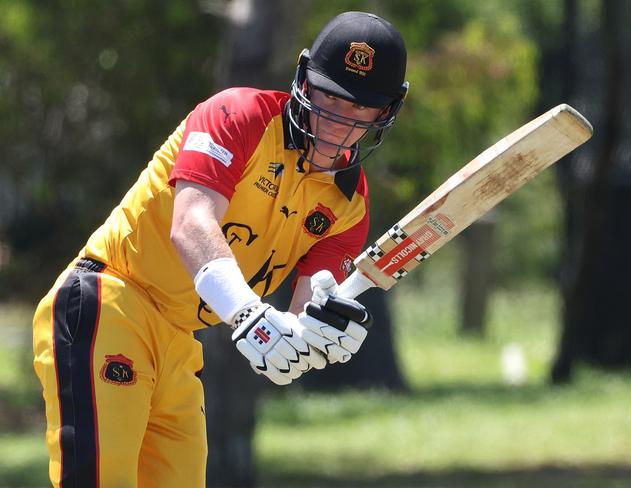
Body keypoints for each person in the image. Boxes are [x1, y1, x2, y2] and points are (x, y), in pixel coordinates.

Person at [32, 10, 409, 488]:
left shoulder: (350, 202)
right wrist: (249, 315)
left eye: (360, 108)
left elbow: (306, 309)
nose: (338, 121)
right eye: (330, 97)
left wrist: (315, 340)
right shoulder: (239, 114)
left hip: (180, 339)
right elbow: (190, 224)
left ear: (387, 110)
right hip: (111, 301)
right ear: (304, 80)